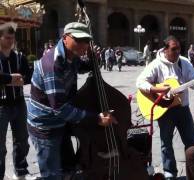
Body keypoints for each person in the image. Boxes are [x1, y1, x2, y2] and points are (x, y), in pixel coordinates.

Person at [26, 22, 117, 179]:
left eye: (87, 41)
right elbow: (60, 108)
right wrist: (96, 118)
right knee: (52, 174)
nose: (84, 44)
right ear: (65, 38)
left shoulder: (71, 56)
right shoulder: (52, 65)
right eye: (79, 40)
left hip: (61, 123)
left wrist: (94, 60)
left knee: (68, 168)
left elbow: (83, 67)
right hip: (45, 127)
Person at [136, 36, 194, 179]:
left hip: (183, 108)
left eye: (179, 48)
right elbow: (140, 82)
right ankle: (170, 172)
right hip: (165, 110)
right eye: (174, 49)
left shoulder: (184, 62)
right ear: (165, 49)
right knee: (165, 142)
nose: (177, 52)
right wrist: (156, 90)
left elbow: (193, 80)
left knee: (191, 142)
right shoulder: (156, 64)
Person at [0, 22, 34, 180]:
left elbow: (27, 75)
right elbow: (13, 78)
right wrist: (10, 78)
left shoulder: (19, 56)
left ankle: (20, 172)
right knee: (0, 146)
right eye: (7, 38)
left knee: (22, 140)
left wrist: (20, 79)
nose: (10, 41)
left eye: (12, 38)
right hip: (1, 106)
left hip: (19, 103)